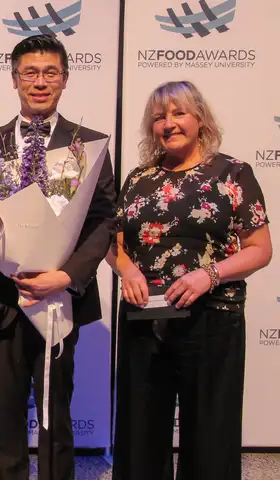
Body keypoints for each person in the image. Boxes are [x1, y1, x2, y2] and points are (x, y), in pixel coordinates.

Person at [0, 34, 116, 480]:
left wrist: (65, 277)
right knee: (5, 416)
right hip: (0, 300)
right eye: (30, 72)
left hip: (59, 300)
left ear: (65, 79)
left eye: (50, 72)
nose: (40, 82)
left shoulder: (89, 145)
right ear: (14, 79)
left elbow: (103, 221)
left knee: (55, 415)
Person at [108, 80, 272, 480]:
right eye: (159, 117)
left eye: (179, 113)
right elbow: (112, 244)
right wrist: (126, 270)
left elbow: (259, 249)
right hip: (145, 318)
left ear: (200, 118)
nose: (169, 123)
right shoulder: (137, 179)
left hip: (212, 318)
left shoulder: (232, 173)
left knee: (210, 431)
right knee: (140, 432)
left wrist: (209, 274)